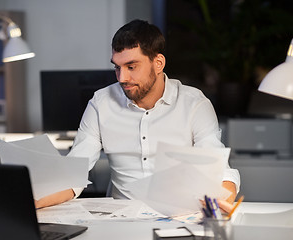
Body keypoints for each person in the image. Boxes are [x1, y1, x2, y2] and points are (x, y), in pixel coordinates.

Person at [35, 19, 240, 211]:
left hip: (178, 216)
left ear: (158, 63)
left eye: (131, 67)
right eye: (117, 67)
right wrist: (34, 202)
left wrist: (222, 197)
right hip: (121, 220)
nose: (122, 78)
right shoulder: (101, 103)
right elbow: (74, 171)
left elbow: (217, 168)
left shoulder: (195, 104)